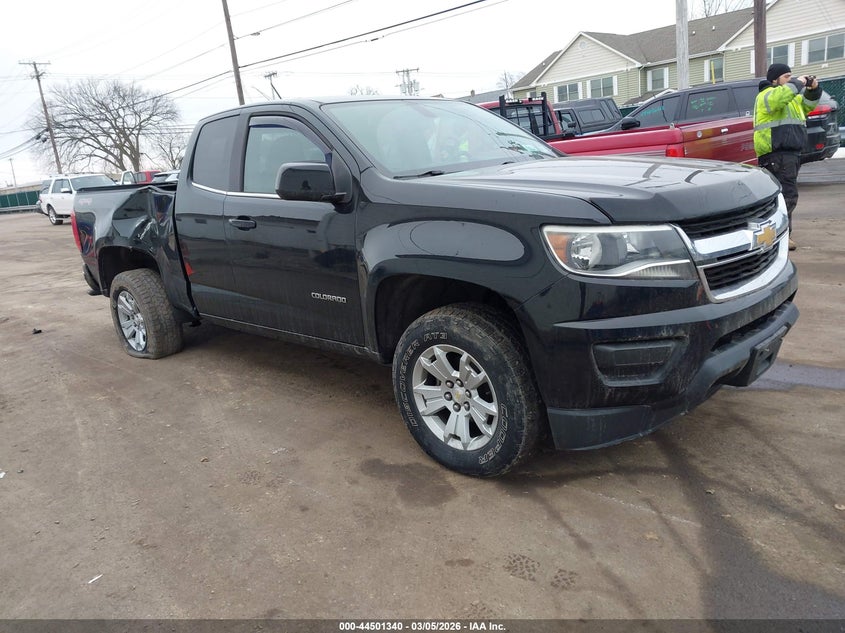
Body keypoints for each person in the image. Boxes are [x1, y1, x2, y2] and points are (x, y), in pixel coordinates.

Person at [753, 63, 822, 251]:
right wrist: (797, 83)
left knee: (784, 196)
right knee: (786, 197)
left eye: (791, 76)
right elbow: (779, 98)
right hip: (777, 153)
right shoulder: (767, 95)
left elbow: (808, 104)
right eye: (786, 77)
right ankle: (779, 236)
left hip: (789, 153)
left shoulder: (790, 99)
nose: (790, 80)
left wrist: (813, 89)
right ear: (774, 80)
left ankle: (779, 234)